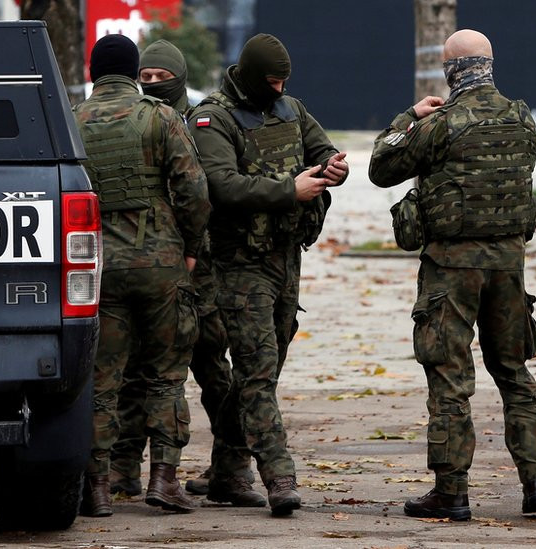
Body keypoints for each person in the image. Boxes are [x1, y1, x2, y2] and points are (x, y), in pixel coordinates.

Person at [368, 29, 536, 522]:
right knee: (513, 371)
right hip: (508, 265)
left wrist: (410, 117)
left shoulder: (441, 123)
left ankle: (452, 492)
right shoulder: (522, 117)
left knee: (450, 375)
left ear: (450, 71)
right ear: (490, 66)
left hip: (451, 268)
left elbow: (381, 166)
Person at [188, 33, 348, 516]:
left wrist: (332, 168)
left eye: (284, 82)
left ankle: (226, 473)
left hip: (286, 257)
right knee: (257, 371)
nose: (279, 90)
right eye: (272, 82)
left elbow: (322, 148)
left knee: (260, 371)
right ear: (253, 76)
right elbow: (221, 184)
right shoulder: (212, 118)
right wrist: (287, 191)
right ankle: (280, 476)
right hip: (239, 264)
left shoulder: (291, 109)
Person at [109, 39, 264, 507]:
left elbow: (213, 191)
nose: (154, 83)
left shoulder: (202, 123)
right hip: (155, 269)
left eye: (162, 76)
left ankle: (232, 467)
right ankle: (123, 468)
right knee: (137, 371)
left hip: (202, 270)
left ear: (179, 77)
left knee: (215, 372)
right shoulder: (138, 121)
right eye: (147, 76)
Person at [73, 33, 211, 517]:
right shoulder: (161, 116)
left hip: (98, 267)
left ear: (93, 72)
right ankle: (164, 480)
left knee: (101, 379)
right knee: (166, 375)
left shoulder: (71, 121)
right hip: (160, 264)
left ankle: (98, 487)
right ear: (135, 73)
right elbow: (194, 191)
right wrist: (190, 248)